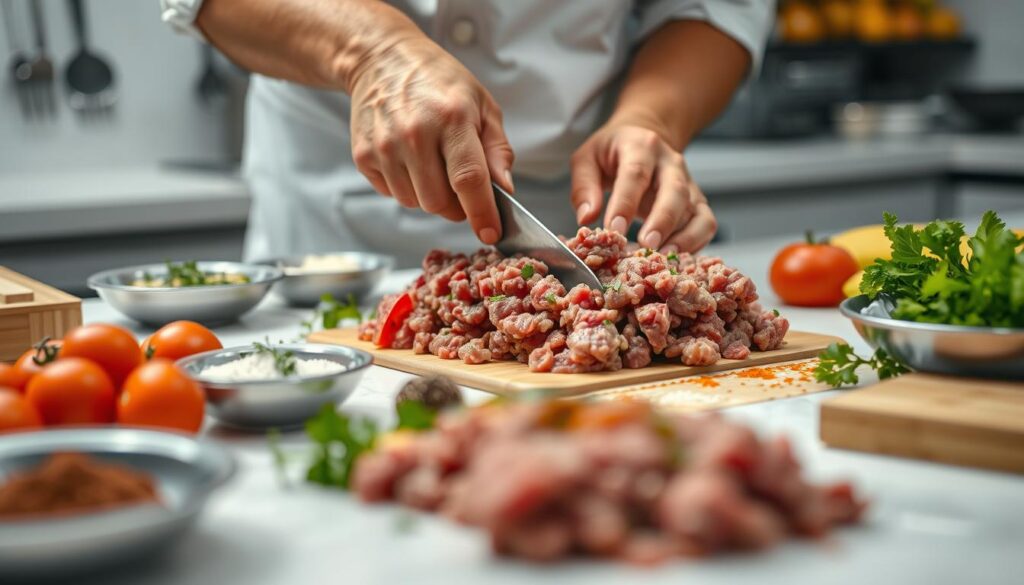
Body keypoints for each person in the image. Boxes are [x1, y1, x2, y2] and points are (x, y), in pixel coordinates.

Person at [161, 0, 773, 266]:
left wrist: (651, 117)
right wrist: (373, 51)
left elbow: (712, 9)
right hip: (325, 204)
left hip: (570, 202)